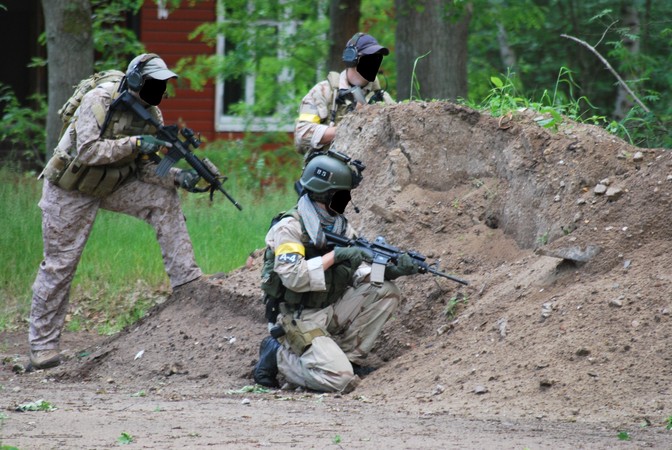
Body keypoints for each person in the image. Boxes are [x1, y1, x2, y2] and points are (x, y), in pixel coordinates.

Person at [28, 53, 206, 370]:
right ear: (137, 79)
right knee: (60, 265)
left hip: (113, 183)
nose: (161, 92)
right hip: (71, 187)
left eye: (164, 86)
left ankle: (188, 283)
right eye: (155, 84)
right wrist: (136, 143)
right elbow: (87, 151)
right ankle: (42, 348)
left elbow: (147, 170)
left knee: (163, 197)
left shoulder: (152, 114)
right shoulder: (100, 100)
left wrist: (180, 176)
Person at [253, 150, 419, 393]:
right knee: (340, 381)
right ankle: (277, 355)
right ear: (325, 194)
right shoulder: (290, 227)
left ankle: (346, 358)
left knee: (385, 291)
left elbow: (357, 271)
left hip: (328, 308)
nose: (347, 200)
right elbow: (293, 277)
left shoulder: (339, 226)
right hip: (297, 317)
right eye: (342, 194)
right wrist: (335, 256)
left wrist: (390, 270)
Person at [294, 32, 395, 157]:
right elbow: (302, 134)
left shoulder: (383, 99)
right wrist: (348, 128)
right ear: (351, 58)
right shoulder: (323, 91)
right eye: (368, 59)